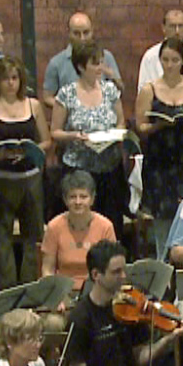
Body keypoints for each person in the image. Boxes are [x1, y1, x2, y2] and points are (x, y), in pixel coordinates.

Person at [0, 56, 50, 290]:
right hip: (2, 181)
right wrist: (0, 155)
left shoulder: (33, 105)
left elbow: (46, 141)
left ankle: (31, 287)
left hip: (30, 178)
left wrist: (31, 150)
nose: (10, 83)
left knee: (33, 236)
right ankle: (6, 291)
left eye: (15, 78)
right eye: (5, 78)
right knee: (3, 238)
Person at [135, 37, 183, 242]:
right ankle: (165, 264)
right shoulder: (149, 89)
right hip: (160, 160)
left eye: (174, 60)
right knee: (164, 222)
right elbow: (140, 126)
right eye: (165, 60)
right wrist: (158, 125)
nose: (169, 65)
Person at [52, 40, 132, 228]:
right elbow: (55, 132)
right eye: (95, 63)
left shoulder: (110, 90)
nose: (101, 68)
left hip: (109, 167)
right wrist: (74, 136)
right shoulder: (67, 93)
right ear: (81, 66)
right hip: (79, 168)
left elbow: (121, 121)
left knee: (111, 221)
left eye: (102, 62)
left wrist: (115, 134)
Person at [41, 171, 118, 290]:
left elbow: (112, 269)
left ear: (92, 199)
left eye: (83, 197)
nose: (78, 202)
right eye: (72, 197)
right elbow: (47, 269)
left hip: (96, 292)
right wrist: (55, 296)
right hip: (63, 293)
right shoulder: (54, 226)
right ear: (65, 200)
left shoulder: (106, 227)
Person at [42, 11, 123, 106]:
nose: (82, 38)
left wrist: (111, 75)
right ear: (68, 33)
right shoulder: (56, 63)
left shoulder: (106, 57)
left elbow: (120, 91)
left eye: (86, 32)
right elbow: (47, 98)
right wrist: (67, 108)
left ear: (92, 31)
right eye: (76, 33)